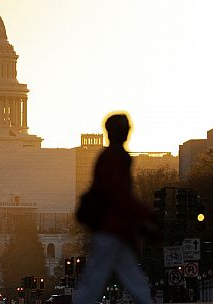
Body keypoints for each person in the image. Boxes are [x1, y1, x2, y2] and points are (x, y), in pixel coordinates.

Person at [73, 113, 157, 304]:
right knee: (95, 280)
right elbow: (119, 195)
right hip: (110, 229)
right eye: (124, 127)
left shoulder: (111, 157)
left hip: (115, 230)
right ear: (115, 132)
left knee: (133, 279)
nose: (129, 130)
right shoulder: (114, 158)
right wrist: (147, 215)